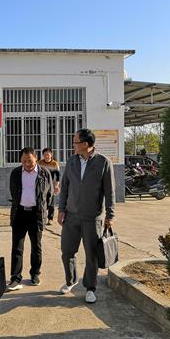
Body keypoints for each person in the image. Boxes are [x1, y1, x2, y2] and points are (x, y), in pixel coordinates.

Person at [57, 129, 115, 304]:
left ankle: (90, 288)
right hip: (71, 216)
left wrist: (110, 215)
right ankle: (71, 280)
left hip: (92, 217)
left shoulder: (103, 162)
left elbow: (109, 191)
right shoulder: (72, 161)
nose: (73, 145)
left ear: (85, 144)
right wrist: (61, 209)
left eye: (75, 142)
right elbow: (65, 187)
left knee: (92, 255)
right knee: (67, 251)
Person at [7, 147, 53, 290]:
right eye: (24, 161)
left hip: (36, 214)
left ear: (36, 158)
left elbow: (49, 195)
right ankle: (15, 278)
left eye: (30, 161)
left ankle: (35, 274)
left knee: (36, 247)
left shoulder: (44, 173)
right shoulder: (15, 173)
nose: (27, 164)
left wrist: (44, 211)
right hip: (19, 213)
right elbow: (13, 192)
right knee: (17, 247)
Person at [37, 147, 61, 225]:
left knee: (51, 202)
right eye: (45, 154)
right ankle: (42, 217)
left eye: (48, 154)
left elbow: (57, 176)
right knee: (42, 201)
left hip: (51, 185)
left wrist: (56, 186)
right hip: (42, 185)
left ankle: (50, 218)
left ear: (51, 155)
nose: (46, 156)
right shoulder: (39, 163)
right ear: (43, 155)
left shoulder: (55, 164)